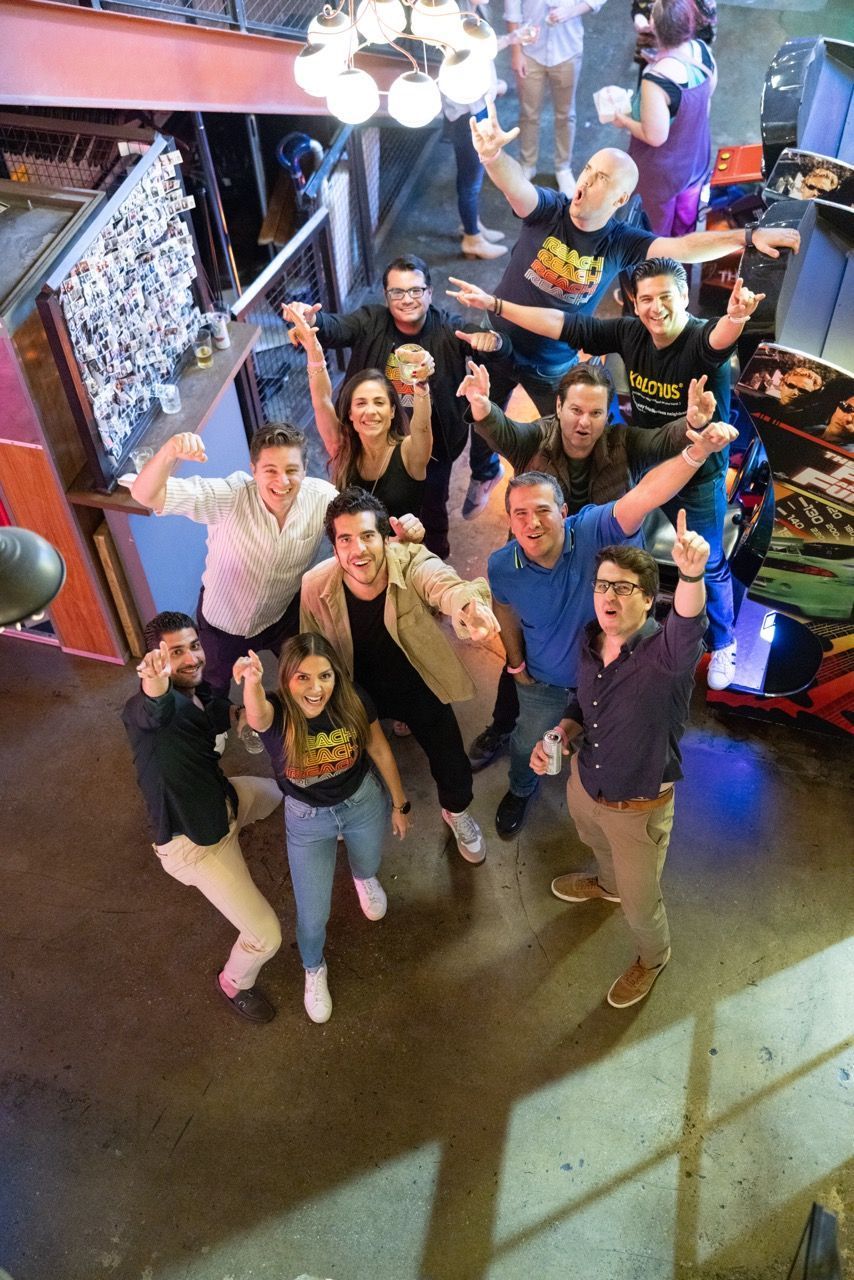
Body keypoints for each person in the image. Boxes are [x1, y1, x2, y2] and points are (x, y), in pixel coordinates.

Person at [448, 260, 764, 688]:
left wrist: (735, 319)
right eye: (646, 299)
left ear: (685, 297)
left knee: (704, 560)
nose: (655, 308)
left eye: (665, 297)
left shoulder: (695, 342)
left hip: (695, 469)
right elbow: (563, 324)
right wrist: (497, 304)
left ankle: (723, 641)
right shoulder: (627, 336)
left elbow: (717, 339)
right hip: (645, 465)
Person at [455, 359, 715, 767]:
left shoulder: (622, 444)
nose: (584, 423)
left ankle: (590, 739)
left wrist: (691, 425)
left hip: (602, 565)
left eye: (596, 413)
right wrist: (482, 405)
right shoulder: (536, 440)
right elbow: (503, 430)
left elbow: (661, 442)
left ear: (607, 415)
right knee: (524, 648)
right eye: (576, 410)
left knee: (603, 657)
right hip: (541, 561)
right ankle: (504, 727)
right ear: (557, 408)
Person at [488, 415, 735, 837]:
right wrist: (515, 664)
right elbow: (504, 608)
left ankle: (602, 809)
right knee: (528, 742)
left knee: (608, 748)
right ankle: (520, 789)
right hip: (544, 683)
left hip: (605, 676)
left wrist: (696, 452)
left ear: (564, 512)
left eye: (543, 511)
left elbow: (645, 495)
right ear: (509, 520)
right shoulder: (502, 566)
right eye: (520, 514)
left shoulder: (592, 528)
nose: (532, 523)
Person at [466, 102, 799, 412]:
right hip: (495, 335)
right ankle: (483, 469)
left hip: (551, 362)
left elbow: (684, 248)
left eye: (602, 178)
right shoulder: (549, 210)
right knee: (480, 409)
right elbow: (516, 186)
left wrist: (749, 236)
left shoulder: (620, 241)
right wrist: (494, 157)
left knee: (561, 435)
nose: (586, 180)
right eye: (587, 169)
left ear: (620, 197)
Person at [530, 510, 709, 1008]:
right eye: (603, 585)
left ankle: (653, 958)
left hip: (637, 807)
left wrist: (692, 574)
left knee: (641, 905)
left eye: (624, 588)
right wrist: (564, 731)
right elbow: (582, 703)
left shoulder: (665, 657)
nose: (609, 595)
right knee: (592, 839)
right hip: (588, 785)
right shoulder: (590, 642)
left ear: (649, 600)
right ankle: (605, 884)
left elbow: (689, 623)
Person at [130, 425, 423, 697]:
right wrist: (169, 451)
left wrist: (397, 535)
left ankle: (322, 726)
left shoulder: (321, 498)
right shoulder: (230, 495)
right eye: (270, 470)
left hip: (282, 615)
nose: (282, 481)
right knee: (211, 686)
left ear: (305, 470)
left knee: (315, 669)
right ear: (253, 470)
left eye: (292, 470)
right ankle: (215, 728)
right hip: (223, 624)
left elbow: (362, 525)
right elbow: (145, 494)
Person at [300, 488, 501, 865]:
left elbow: (444, 584)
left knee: (449, 756)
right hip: (356, 687)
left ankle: (457, 813)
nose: (358, 550)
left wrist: (469, 606)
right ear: (334, 547)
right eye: (345, 539)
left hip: (416, 680)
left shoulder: (410, 560)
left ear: (385, 537)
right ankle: (344, 814)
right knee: (344, 757)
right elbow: (312, 650)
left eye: (367, 536)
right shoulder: (315, 586)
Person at [282, 255, 514, 558]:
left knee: (430, 513)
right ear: (386, 296)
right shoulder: (371, 321)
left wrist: (494, 343)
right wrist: (312, 323)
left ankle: (435, 567)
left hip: (432, 453)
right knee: (363, 514)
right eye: (398, 292)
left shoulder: (448, 329)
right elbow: (335, 328)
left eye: (416, 291)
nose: (407, 299)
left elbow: (501, 356)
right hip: (368, 445)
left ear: (430, 293)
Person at [236, 633, 410, 1025]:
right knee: (313, 915)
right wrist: (250, 681)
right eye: (303, 678)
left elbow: (379, 748)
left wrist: (400, 804)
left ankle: (363, 879)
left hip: (361, 802)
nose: (317, 689)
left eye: (325, 676)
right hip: (307, 821)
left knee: (368, 862)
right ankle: (313, 968)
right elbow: (256, 713)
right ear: (285, 681)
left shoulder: (352, 699)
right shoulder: (276, 713)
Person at [122, 612, 283, 1024]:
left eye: (193, 646)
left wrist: (247, 691)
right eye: (175, 653)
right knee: (266, 937)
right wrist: (154, 684)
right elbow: (152, 709)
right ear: (155, 660)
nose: (191, 658)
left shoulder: (200, 692)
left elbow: (224, 712)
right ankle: (234, 982)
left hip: (223, 801)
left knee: (280, 792)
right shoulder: (149, 711)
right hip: (196, 846)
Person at [284, 300, 433, 521]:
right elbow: (322, 400)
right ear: (350, 415)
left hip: (403, 552)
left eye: (379, 402)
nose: (370, 411)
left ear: (393, 411)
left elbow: (421, 426)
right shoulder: (342, 450)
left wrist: (421, 384)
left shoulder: (411, 452)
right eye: (361, 403)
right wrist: (313, 349)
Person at [612, 0, 717, 237]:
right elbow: (706, 98)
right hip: (696, 156)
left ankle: (656, 270)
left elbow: (655, 136)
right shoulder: (703, 51)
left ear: (653, 25)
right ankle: (683, 265)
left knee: (654, 230)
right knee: (686, 220)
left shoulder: (656, 79)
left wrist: (624, 120)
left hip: (663, 172)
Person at [505, 0, 609, 198]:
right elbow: (512, 12)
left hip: (567, 50)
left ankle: (563, 168)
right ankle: (527, 164)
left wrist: (571, 11)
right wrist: (516, 54)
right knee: (528, 112)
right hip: (530, 51)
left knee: (565, 113)